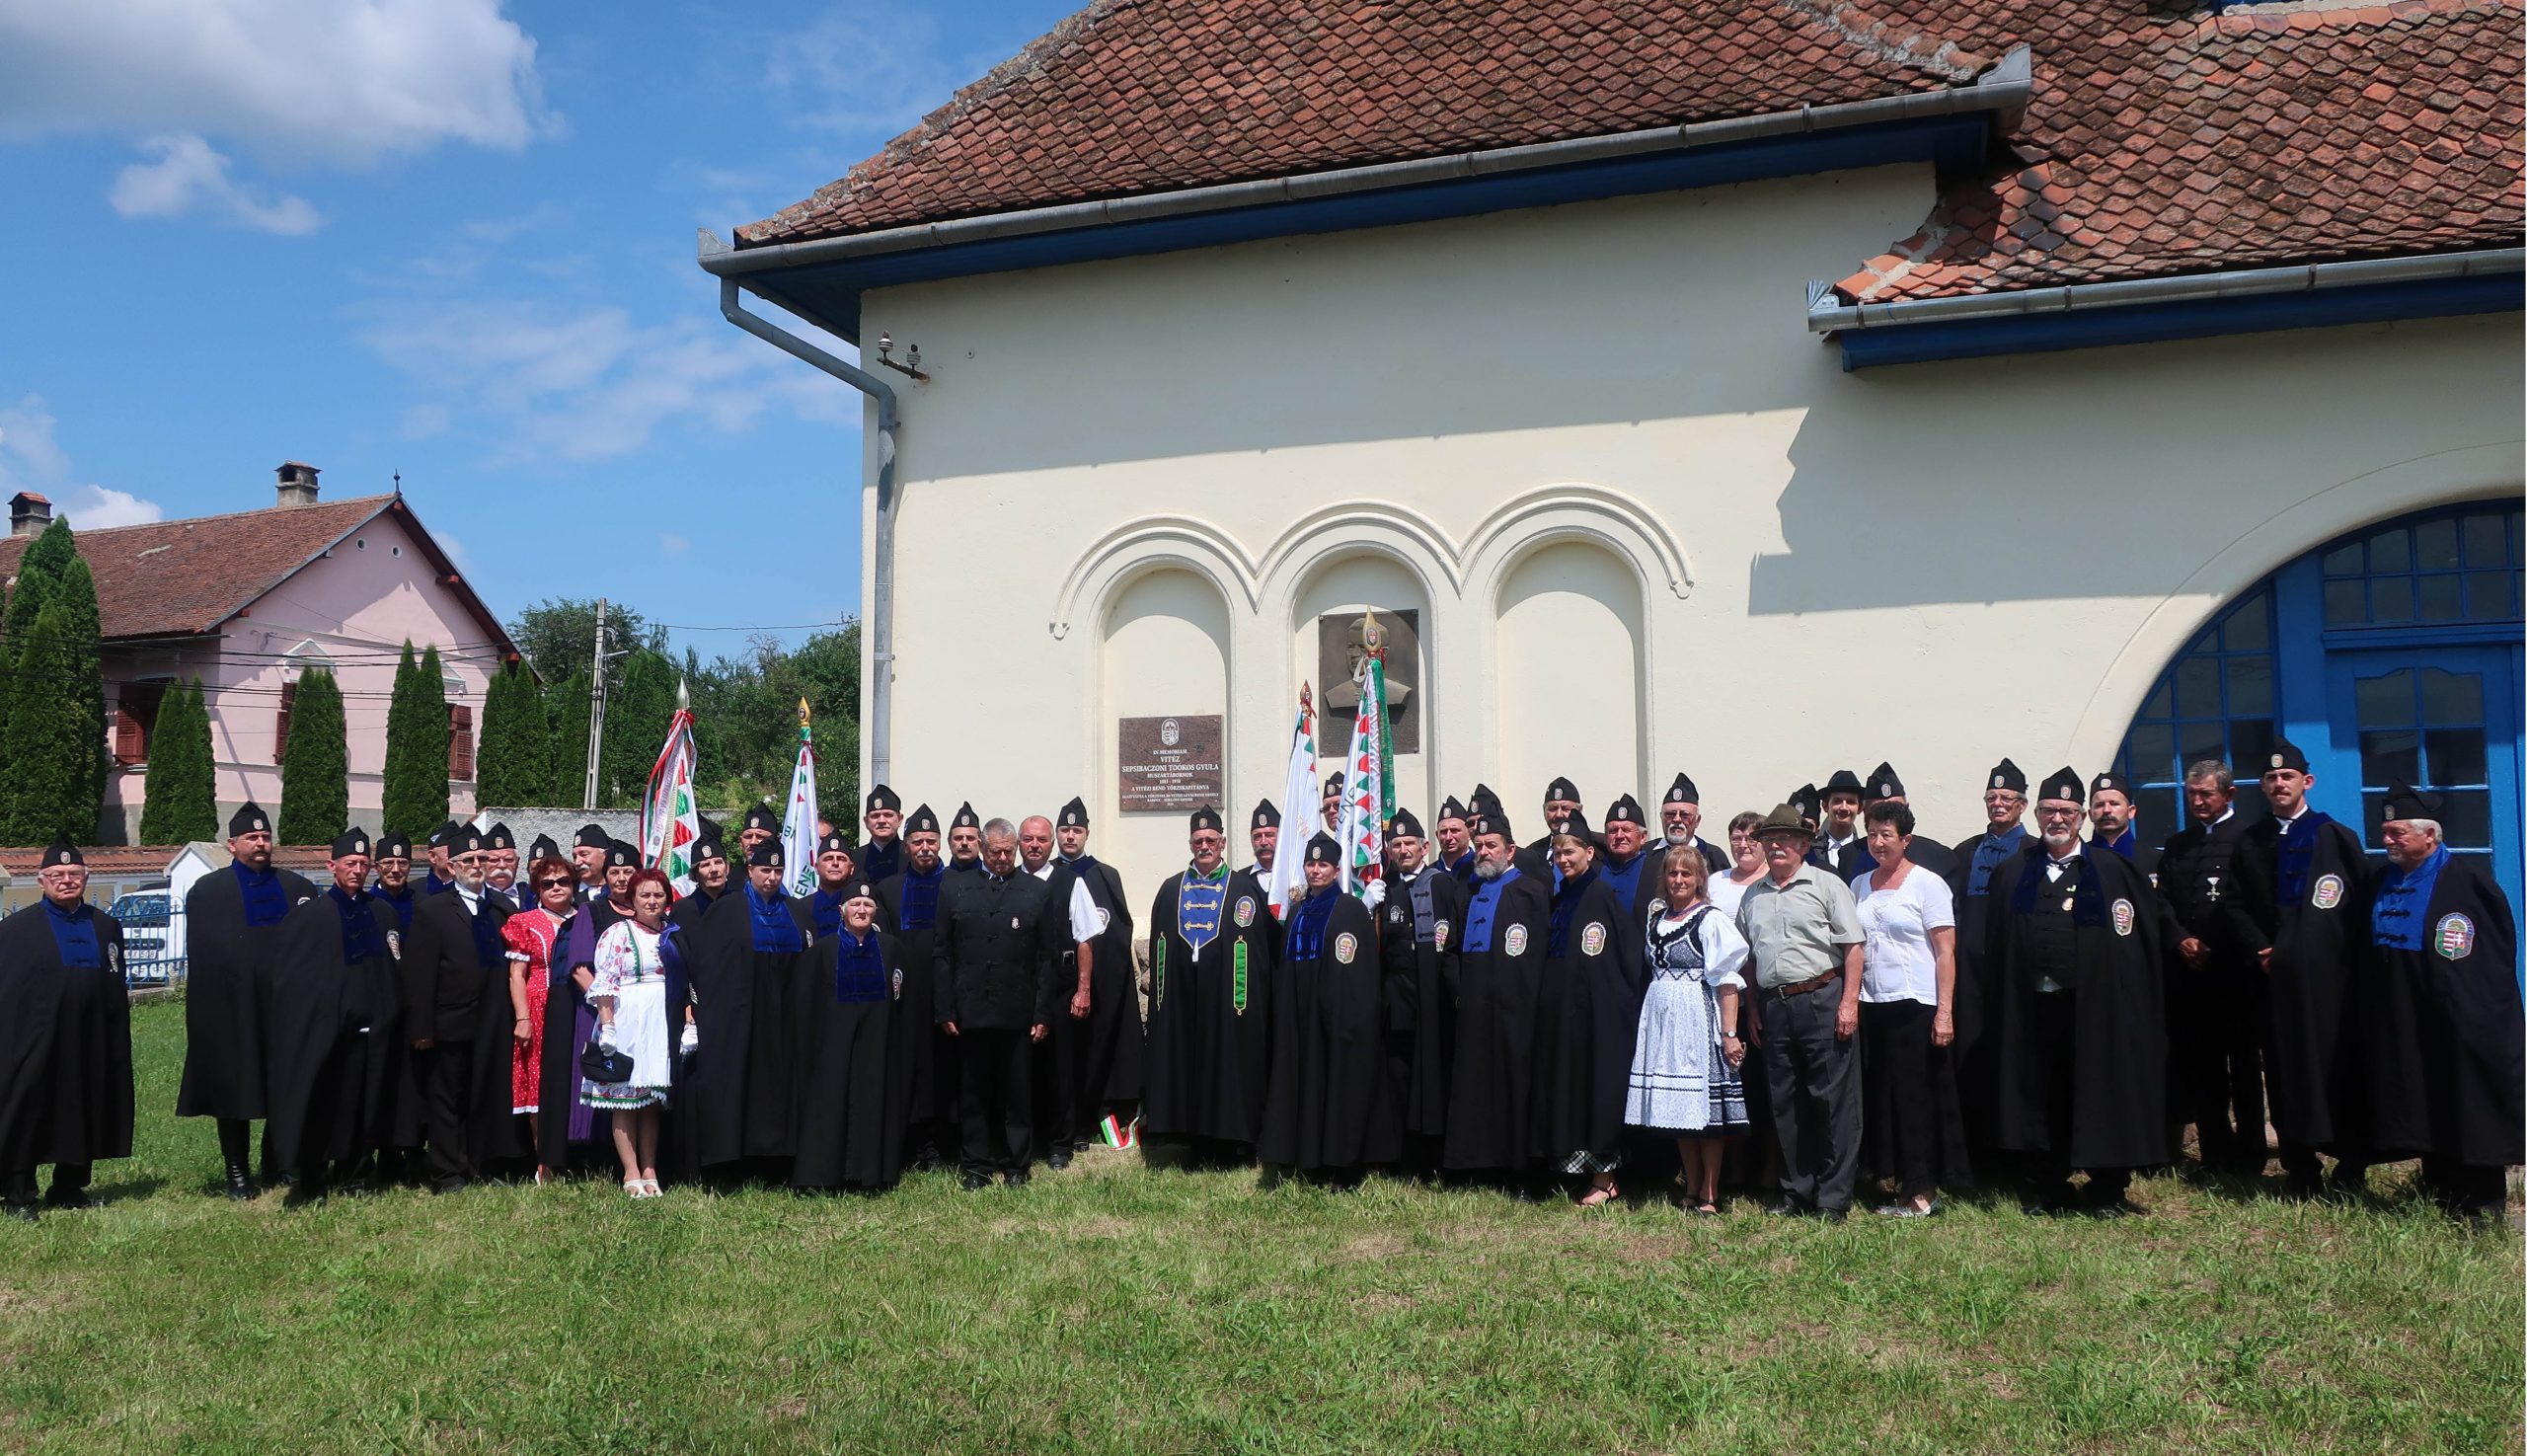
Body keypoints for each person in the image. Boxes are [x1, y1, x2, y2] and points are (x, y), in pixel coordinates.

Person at [1985, 768, 2170, 1216]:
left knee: (2101, 1089)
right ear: (2038, 813)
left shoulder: (2113, 871)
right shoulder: (2013, 873)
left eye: (2067, 811)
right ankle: (2050, 1184)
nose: (2057, 819)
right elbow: (1999, 944)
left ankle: (2108, 1187)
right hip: (2035, 1009)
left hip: (2097, 1010)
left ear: (2082, 816)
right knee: (2044, 1093)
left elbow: (2136, 943)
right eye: (2049, 810)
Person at [2363, 783, 2523, 1220]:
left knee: (2468, 1104)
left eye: (2397, 833)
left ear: (2429, 835)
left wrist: (2473, 1018)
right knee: (2423, 1101)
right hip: (2405, 1013)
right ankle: (2440, 1192)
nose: (2387, 841)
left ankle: (2481, 1206)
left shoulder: (2469, 886)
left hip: (2458, 1015)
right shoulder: (2381, 881)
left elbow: (2489, 960)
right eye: (2386, 831)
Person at [2238, 738, 2372, 1195]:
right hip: (2273, 981)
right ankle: (2301, 1168)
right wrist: (2262, 948)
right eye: (2272, 778)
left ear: (2306, 781)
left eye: (2287, 776)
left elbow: (2356, 908)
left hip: (2328, 983)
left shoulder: (2335, 837)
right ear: (2262, 785)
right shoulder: (2249, 841)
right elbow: (2235, 905)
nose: (2279, 784)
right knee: (2283, 1071)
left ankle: (2352, 1162)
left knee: (2337, 1066)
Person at [177, 801, 317, 1199]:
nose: (261, 844)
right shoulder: (209, 892)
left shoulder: (297, 888)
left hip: (285, 1008)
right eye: (252, 837)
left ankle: (278, 1164)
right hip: (232, 1011)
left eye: (265, 836)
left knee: (285, 1086)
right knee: (233, 1090)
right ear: (231, 844)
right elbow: (205, 960)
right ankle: (238, 1173)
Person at [1736, 803, 1865, 1221]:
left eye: (1785, 839)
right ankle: (1797, 1190)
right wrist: (1752, 1007)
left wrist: (1848, 1003)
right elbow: (1749, 960)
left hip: (1822, 998)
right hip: (1775, 1005)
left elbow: (1853, 948)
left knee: (1830, 1101)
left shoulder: (1827, 886)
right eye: (1769, 839)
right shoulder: (1752, 896)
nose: (1775, 846)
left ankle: (1833, 1197)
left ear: (1805, 844)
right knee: (1785, 1102)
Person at [265, 829, 406, 1204]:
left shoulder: (382, 913)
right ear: (332, 867)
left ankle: (356, 1172)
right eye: (350, 864)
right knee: (321, 1101)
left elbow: (392, 972)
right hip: (324, 1032)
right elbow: (293, 981)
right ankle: (311, 1176)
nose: (357, 870)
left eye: (363, 864)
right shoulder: (307, 918)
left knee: (363, 1102)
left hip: (370, 1031)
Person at [0, 842, 132, 1222]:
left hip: (91, 1037)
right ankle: (18, 1194)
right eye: (57, 876)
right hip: (36, 1039)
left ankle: (69, 1187)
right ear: (42, 881)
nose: (66, 881)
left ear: (86, 879)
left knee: (84, 1105)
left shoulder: (106, 926)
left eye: (74, 874)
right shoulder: (16, 930)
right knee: (27, 1108)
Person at [1852, 802, 1968, 1217]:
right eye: (1872, 834)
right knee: (1886, 1097)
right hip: (1873, 1004)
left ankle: (1922, 1192)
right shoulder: (1861, 884)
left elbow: (1945, 952)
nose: (1878, 842)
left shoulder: (1928, 884)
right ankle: (1898, 1181)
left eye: (1887, 835)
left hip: (1915, 1005)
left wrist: (1944, 1012)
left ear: (1906, 840)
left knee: (1916, 1098)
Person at [1259, 832, 1396, 1184]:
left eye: (1323, 865)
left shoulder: (1349, 910)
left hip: (1334, 1020)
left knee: (1335, 1089)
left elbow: (1357, 972)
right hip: (1299, 1021)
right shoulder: (1298, 911)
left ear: (1336, 870)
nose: (1315, 871)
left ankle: (1340, 1162)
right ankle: (1302, 1157)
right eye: (1310, 864)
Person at [1144, 805, 1277, 1166]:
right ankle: (1191, 1138)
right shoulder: (1171, 889)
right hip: (1183, 996)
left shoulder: (1243, 889)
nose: (1205, 846)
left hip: (1227, 998)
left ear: (1222, 843)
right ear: (1191, 844)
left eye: (1211, 840)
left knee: (1227, 1062)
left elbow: (1258, 951)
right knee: (1188, 1061)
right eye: (1198, 840)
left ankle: (1232, 1140)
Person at [936, 819, 1065, 1188]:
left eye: (1010, 850)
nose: (1004, 857)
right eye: (996, 851)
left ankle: (1016, 1166)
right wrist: (945, 1008)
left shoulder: (1036, 892)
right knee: (973, 1094)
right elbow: (942, 953)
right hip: (970, 1011)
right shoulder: (955, 889)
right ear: (982, 848)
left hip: (1018, 1013)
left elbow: (1046, 958)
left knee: (1017, 1096)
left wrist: (1042, 1013)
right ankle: (976, 1166)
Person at [2156, 759, 2270, 1175]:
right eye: (2193, 795)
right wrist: (2179, 939)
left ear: (2229, 794)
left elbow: (2252, 904)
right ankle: (2215, 1154)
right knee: (2203, 1071)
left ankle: (2252, 1154)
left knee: (2242, 1069)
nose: (2199, 802)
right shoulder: (2178, 845)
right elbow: (2162, 901)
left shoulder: (2251, 838)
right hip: (2191, 976)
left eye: (2207, 794)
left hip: (2236, 974)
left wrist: (2217, 945)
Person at [1624, 845, 1750, 1215]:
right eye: (1672, 873)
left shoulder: (1710, 919)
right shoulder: (1657, 919)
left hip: (1697, 1017)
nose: (1678, 880)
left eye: (1686, 874)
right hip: (1663, 1021)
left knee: (1705, 1112)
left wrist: (1729, 1034)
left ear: (1699, 879)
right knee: (1679, 1110)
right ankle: (1691, 1186)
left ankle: (1710, 1192)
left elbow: (1727, 980)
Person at [1533, 809, 1646, 1205]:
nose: (1563, 859)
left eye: (1570, 852)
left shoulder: (1599, 896)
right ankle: (1577, 1171)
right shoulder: (1563, 896)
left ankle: (1605, 1179)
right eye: (1558, 853)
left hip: (1594, 1018)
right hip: (1564, 1016)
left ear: (1589, 854)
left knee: (1596, 1091)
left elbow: (1613, 962)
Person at [1440, 805, 1552, 1191]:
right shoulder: (1466, 890)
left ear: (1511, 849)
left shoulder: (1531, 891)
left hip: (1515, 1009)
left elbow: (1538, 953)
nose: (1484, 851)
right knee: (1473, 1083)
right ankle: (1474, 1163)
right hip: (1473, 1007)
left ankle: (1516, 1166)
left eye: (1492, 845)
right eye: (1480, 845)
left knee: (1513, 1083)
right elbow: (1451, 948)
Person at [399, 824, 516, 1193]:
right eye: (468, 859)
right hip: (449, 1021)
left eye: (481, 858)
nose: (477, 865)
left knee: (484, 1094)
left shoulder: (501, 908)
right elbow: (419, 974)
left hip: (493, 1021)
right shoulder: (432, 910)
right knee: (446, 1098)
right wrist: (421, 1028)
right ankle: (447, 1172)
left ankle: (480, 1163)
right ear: (452, 867)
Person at [691, 842, 805, 1175]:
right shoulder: (726, 910)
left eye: (777, 871)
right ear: (749, 870)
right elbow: (709, 968)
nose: (771, 878)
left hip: (783, 1018)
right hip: (739, 1016)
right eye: (764, 870)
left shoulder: (797, 912)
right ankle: (734, 1161)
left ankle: (777, 1158)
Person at [790, 878, 906, 1192]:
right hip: (833, 1044)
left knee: (873, 1101)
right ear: (842, 910)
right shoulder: (823, 950)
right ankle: (825, 1176)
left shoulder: (890, 948)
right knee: (831, 1103)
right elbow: (807, 1001)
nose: (861, 910)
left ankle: (872, 1175)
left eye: (867, 905)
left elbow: (899, 999)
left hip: (876, 1041)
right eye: (855, 904)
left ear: (876, 911)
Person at [1950, 757, 2029, 1155]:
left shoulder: (2033, 852)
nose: (1998, 804)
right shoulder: (1964, 852)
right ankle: (1976, 1150)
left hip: (2011, 971)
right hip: (1969, 974)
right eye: (1992, 797)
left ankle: (2012, 1149)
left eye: (2007, 798)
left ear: (2022, 806)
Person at [1377, 807, 1463, 1169]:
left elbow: (1451, 942)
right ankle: (1401, 1154)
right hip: (1398, 1002)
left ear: (1424, 846)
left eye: (1409, 842)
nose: (1403, 849)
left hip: (1433, 1001)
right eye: (1396, 844)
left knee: (1433, 1078)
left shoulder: (1441, 885)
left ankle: (1433, 1157)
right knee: (1399, 1078)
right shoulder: (1386, 887)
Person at [586, 869, 681, 1196]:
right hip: (627, 1018)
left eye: (658, 895)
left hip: (660, 1020)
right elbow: (605, 982)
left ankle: (650, 1169)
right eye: (645, 895)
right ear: (633, 900)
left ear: (667, 899)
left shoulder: (672, 934)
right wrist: (608, 1024)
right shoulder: (618, 933)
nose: (652, 901)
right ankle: (630, 1171)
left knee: (650, 1100)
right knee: (624, 1099)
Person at [1052, 797, 1140, 1148]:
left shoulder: (1105, 875)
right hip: (1059, 986)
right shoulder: (1047, 875)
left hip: (1099, 987)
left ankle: (1095, 1115)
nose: (1070, 837)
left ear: (1087, 833)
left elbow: (1118, 929)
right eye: (1064, 830)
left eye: (1076, 830)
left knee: (1096, 1051)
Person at [1015, 813, 1101, 1168]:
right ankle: (1028, 1140)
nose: (1035, 845)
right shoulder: (1008, 880)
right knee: (1022, 1068)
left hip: (1062, 987)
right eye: (1028, 839)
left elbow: (1085, 938)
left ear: (1051, 844)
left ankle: (1060, 1144)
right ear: (1019, 843)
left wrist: (1083, 989)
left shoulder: (1070, 881)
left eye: (1041, 839)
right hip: (1019, 990)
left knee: (1060, 1069)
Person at [876, 804, 956, 1165]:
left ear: (940, 844)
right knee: (910, 1070)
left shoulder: (957, 885)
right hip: (905, 997)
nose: (925, 847)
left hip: (947, 995)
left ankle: (944, 1141)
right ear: (906, 845)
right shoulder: (888, 890)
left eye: (931, 840)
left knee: (944, 1070)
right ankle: (913, 1142)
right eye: (917, 840)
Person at [500, 852, 580, 1181]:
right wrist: (522, 1018)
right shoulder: (525, 921)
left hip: (579, 1007)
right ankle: (543, 1161)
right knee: (539, 1082)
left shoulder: (587, 917)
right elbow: (516, 974)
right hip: (538, 1006)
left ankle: (577, 1155)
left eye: (563, 881)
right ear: (537, 889)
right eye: (548, 883)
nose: (556, 888)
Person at [1862, 763, 1954, 878]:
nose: (1885, 815)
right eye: (1877, 809)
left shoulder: (1938, 856)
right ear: (1864, 811)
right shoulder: (1849, 856)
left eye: (1895, 808)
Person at [1658, 773, 1729, 875]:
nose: (1677, 819)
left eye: (1685, 815)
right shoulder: (1646, 854)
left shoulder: (1714, 856)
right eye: (1670, 814)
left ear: (1697, 821)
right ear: (1661, 817)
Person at [2087, 771, 2155, 875]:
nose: (2106, 810)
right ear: (2090, 814)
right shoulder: (2079, 860)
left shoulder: (2154, 860)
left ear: (2131, 811)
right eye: (2099, 805)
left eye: (2114, 804)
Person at [1810, 769, 1873, 880]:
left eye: (1850, 802)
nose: (1844, 807)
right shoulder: (1810, 850)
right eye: (1837, 801)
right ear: (1825, 806)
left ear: (1860, 808)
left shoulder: (1868, 852)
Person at [1597, 796, 1653, 916]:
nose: (1619, 836)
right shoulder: (1594, 870)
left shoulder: (1656, 872)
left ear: (1643, 837)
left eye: (1626, 830)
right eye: (1613, 830)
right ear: (1606, 837)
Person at [1706, 812, 1767, 918]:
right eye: (1736, 839)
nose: (1743, 845)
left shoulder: (1775, 880)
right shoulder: (1715, 881)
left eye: (1751, 839)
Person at [1521, 777, 1582, 880]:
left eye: (1565, 808)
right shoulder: (1532, 853)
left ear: (1579, 810)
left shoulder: (1596, 851)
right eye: (1553, 809)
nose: (1558, 814)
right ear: (1544, 810)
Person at [858, 785, 906, 884]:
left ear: (900, 819)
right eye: (875, 816)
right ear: (866, 822)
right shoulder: (854, 859)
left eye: (888, 815)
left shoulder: (911, 857)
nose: (881, 821)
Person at [372, 831, 420, 932]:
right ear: (376, 868)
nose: (395, 869)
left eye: (402, 863)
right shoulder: (364, 905)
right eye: (388, 863)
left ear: (409, 867)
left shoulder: (423, 905)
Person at [1432, 797, 1477, 882]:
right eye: (1443, 832)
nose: (1448, 837)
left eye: (1454, 830)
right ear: (1437, 835)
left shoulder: (1481, 870)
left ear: (1468, 833)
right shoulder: (1429, 875)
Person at [483, 823, 521, 911]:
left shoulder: (532, 896)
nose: (502, 865)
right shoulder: (474, 895)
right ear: (482, 863)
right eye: (494, 860)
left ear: (517, 862)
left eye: (508, 859)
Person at [1242, 799, 1280, 882]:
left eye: (1269, 835)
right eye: (1258, 837)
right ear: (1251, 841)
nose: (1263, 842)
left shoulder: (1294, 876)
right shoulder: (1240, 880)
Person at [571, 823, 610, 903]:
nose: (577, 862)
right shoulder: (569, 894)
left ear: (605, 855)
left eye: (584, 854)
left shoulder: (619, 891)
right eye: (574, 857)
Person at [421, 822, 460, 897]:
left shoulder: (474, 890)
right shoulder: (414, 893)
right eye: (451, 852)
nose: (458, 858)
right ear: (433, 856)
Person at [946, 803, 984, 874]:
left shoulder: (992, 879)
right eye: (958, 838)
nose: (964, 843)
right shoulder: (939, 880)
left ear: (980, 843)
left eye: (970, 838)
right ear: (949, 842)